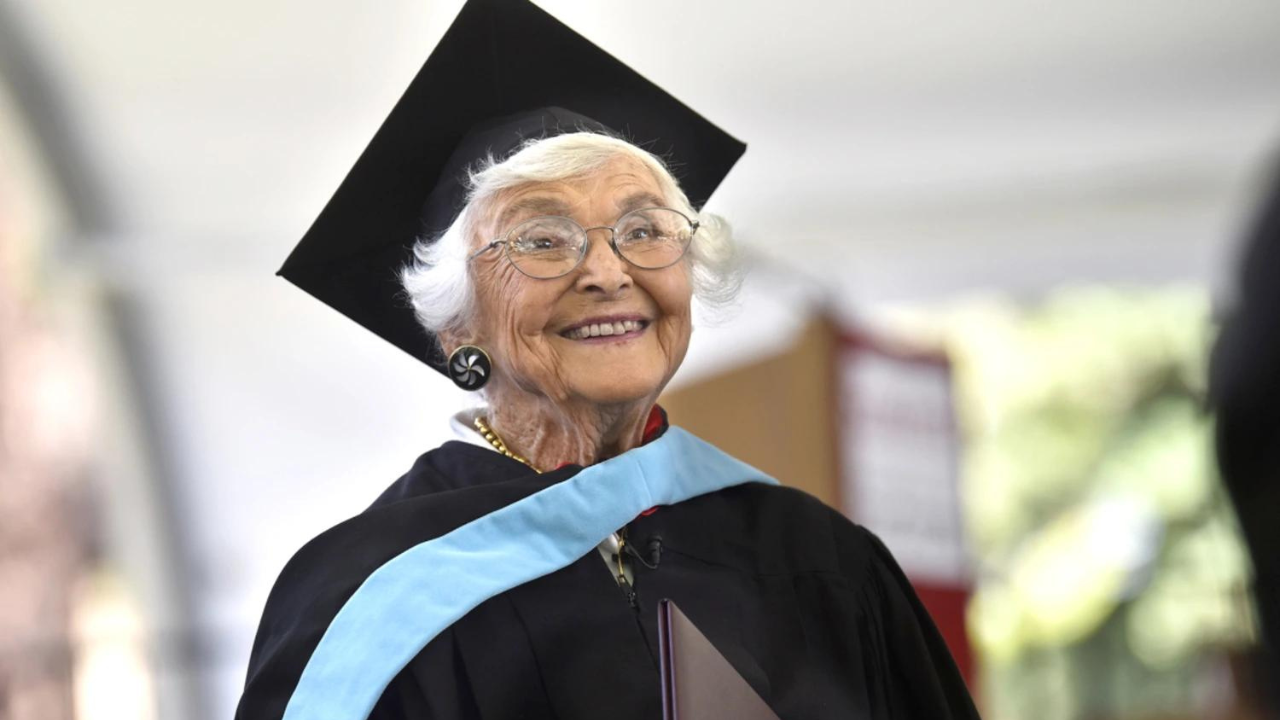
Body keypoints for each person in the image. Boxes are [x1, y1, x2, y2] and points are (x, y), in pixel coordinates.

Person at [237, 0, 980, 718]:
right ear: (455, 326)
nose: (607, 272)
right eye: (542, 240)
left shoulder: (819, 559)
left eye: (643, 229)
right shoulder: (369, 592)